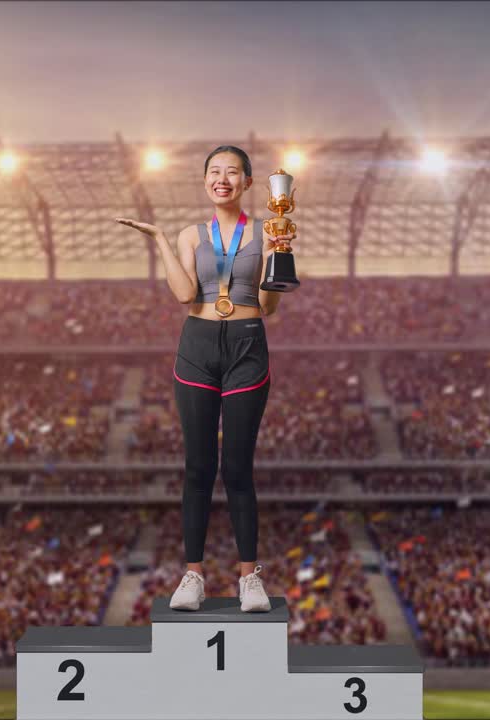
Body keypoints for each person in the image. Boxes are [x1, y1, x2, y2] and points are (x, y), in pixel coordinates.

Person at [115, 145, 294, 612]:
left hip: (247, 346)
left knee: (237, 468)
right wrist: (158, 238)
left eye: (232, 172)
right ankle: (192, 576)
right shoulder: (191, 235)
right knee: (198, 467)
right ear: (205, 181)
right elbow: (182, 294)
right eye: (215, 171)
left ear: (248, 183)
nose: (222, 178)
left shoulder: (268, 230)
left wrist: (280, 257)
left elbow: (270, 307)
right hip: (196, 349)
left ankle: (248, 577)